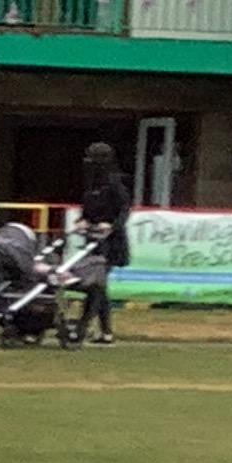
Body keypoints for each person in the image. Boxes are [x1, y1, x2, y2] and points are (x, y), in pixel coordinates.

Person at [77, 139, 133, 347]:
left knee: (96, 286)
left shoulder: (114, 183)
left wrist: (111, 226)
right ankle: (105, 332)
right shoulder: (92, 184)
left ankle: (82, 327)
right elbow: (88, 209)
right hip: (93, 241)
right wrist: (83, 220)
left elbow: (124, 209)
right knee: (98, 286)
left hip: (111, 244)